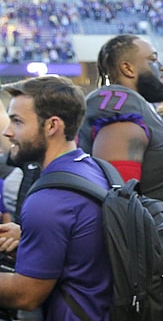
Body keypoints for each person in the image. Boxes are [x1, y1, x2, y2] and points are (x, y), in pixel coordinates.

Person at [0, 76, 111, 319]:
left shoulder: (49, 199)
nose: (8, 132)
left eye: (17, 121)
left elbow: (25, 295)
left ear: (52, 126)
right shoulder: (94, 167)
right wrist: (28, 236)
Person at [77, 34, 163, 226]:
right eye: (152, 59)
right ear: (128, 68)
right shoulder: (121, 108)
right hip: (142, 247)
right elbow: (119, 200)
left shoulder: (140, 107)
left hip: (158, 238)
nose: (162, 67)